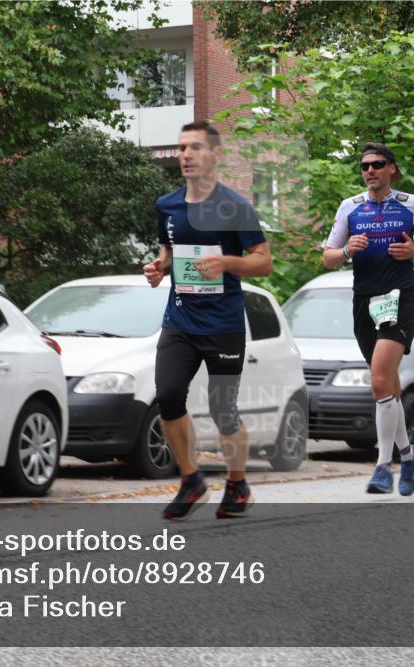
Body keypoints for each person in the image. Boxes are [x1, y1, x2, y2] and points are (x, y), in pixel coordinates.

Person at [143, 121, 273, 520]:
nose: (185, 155)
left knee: (223, 410)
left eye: (195, 147)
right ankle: (190, 479)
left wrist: (227, 263)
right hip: (180, 319)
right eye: (182, 148)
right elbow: (168, 252)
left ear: (215, 154)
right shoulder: (167, 205)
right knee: (168, 395)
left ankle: (237, 484)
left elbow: (263, 262)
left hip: (224, 324)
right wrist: (159, 268)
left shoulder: (235, 207)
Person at [322, 143, 414, 496]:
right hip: (365, 301)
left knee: (378, 380)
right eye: (365, 166)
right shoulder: (350, 208)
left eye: (377, 165)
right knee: (388, 385)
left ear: (392, 168)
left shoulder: (411, 205)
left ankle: (382, 467)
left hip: (399, 297)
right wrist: (346, 251)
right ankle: (408, 454)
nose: (370, 171)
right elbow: (327, 257)